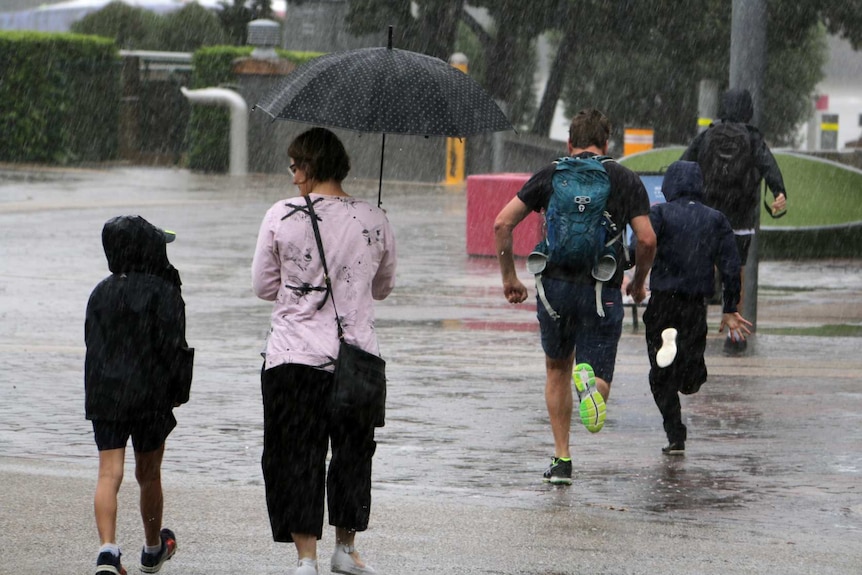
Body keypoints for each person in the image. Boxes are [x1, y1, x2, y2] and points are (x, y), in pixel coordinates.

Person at [252, 127, 397, 575]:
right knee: (353, 453)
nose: (292, 174)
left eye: (295, 166)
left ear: (310, 167)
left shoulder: (282, 215)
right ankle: (345, 549)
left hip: (293, 357)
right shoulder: (374, 218)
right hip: (356, 361)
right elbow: (384, 287)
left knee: (297, 455)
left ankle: (306, 559)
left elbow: (263, 286)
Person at [494, 108, 656, 485]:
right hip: (602, 287)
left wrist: (509, 278)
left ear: (569, 143)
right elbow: (647, 239)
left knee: (556, 370)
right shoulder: (623, 178)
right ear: (607, 142)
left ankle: (562, 459)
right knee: (598, 374)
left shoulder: (552, 174)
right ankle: (591, 389)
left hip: (555, 288)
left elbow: (502, 223)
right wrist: (638, 280)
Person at [85, 215, 193, 575]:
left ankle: (107, 552)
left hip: (106, 393)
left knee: (108, 473)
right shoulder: (164, 293)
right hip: (150, 395)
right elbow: (174, 350)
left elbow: (93, 346)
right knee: (148, 473)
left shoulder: (100, 292)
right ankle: (151, 548)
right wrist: (176, 395)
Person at [644, 160, 752, 455]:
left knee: (659, 374)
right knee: (691, 379)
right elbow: (730, 265)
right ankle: (684, 365)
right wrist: (729, 307)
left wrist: (633, 273)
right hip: (694, 305)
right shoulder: (715, 219)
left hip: (662, 301)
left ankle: (675, 435)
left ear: (668, 186)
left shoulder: (659, 213)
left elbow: (642, 246)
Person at [680, 88, 787, 322]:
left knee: (706, 264)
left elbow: (682, 165)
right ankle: (735, 327)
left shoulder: (707, 135)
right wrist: (779, 192)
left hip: (708, 214)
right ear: (748, 110)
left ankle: (696, 321)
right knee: (737, 268)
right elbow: (769, 165)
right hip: (740, 215)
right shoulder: (752, 137)